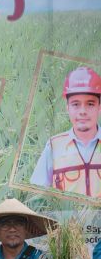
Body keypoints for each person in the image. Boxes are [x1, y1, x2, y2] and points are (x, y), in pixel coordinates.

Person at [30, 66, 101, 198]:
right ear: (67, 107)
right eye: (76, 104)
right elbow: (36, 194)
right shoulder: (54, 146)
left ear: (99, 107)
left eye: (90, 104)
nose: (82, 111)